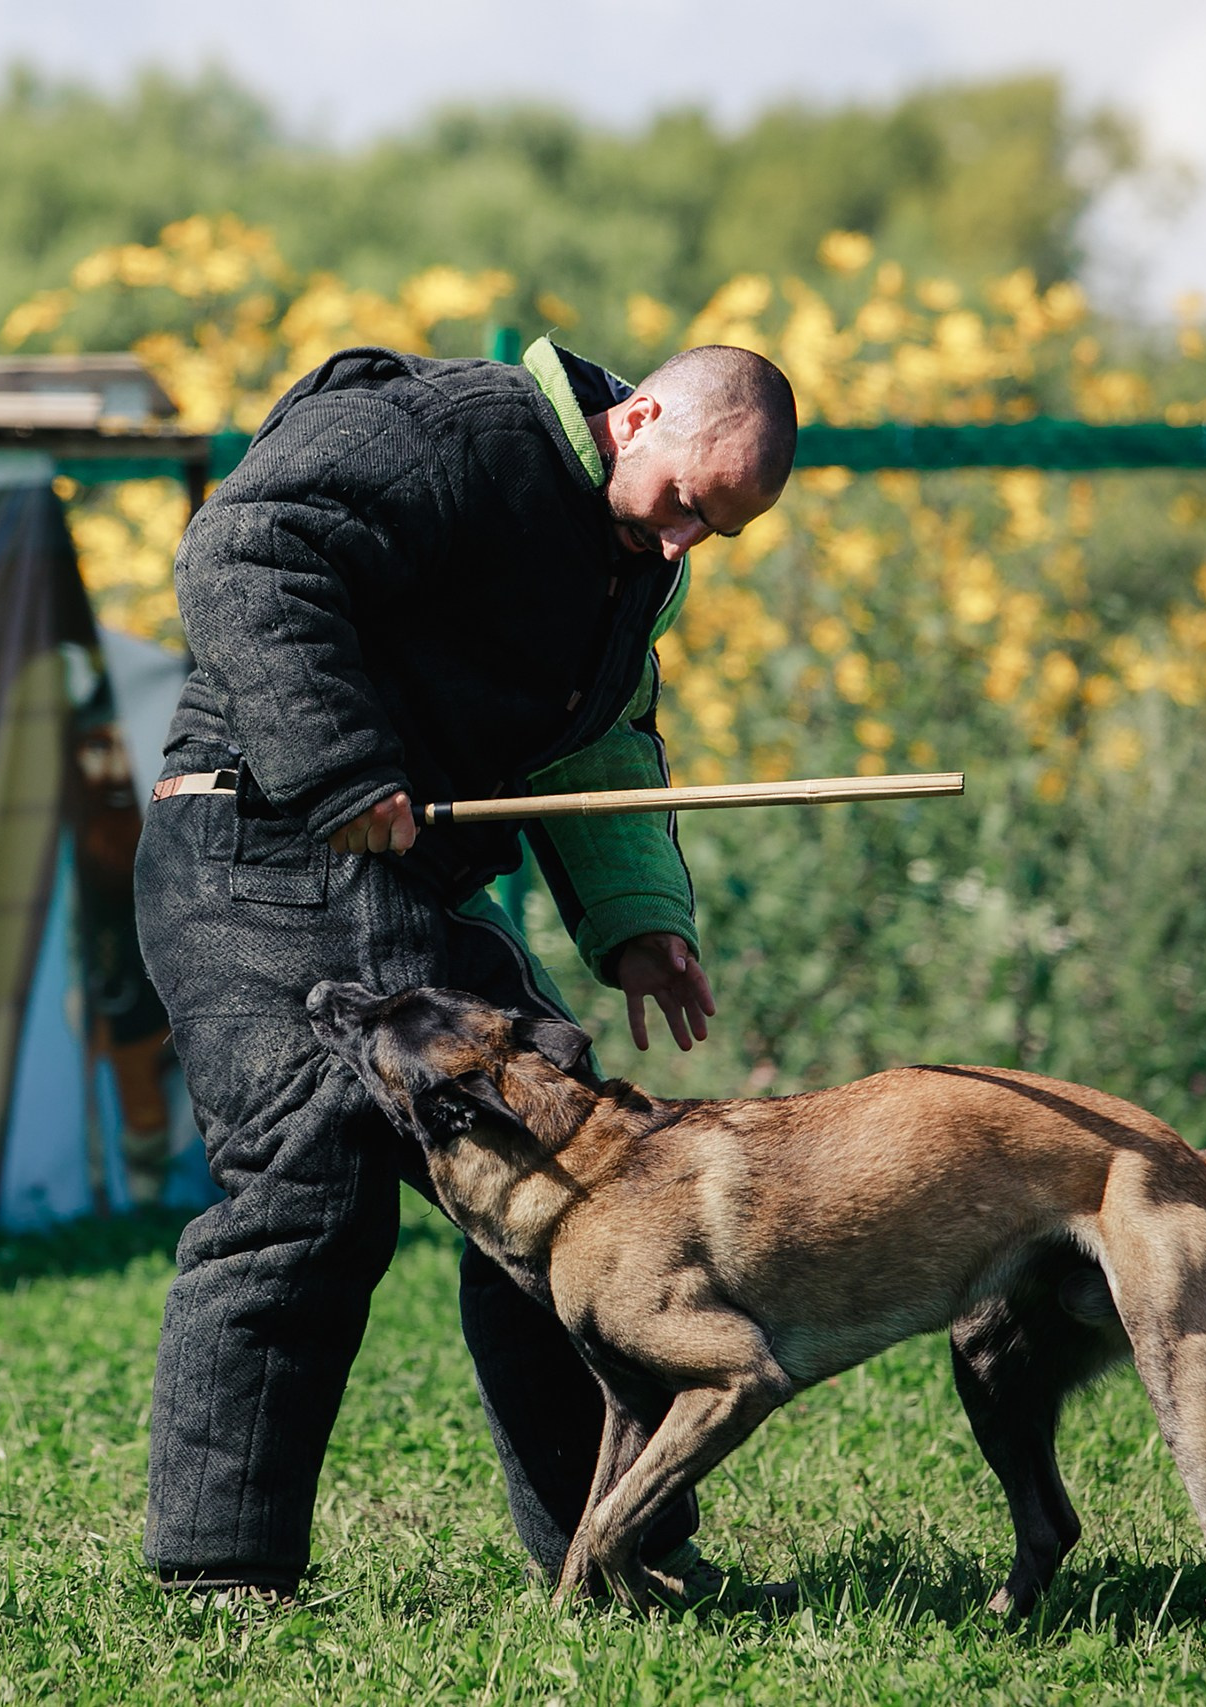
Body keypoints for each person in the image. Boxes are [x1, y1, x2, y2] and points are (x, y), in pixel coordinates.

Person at [133, 333, 797, 1604]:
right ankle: (223, 1575)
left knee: (579, 1174)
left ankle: (622, 1552)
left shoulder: (629, 559)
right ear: (639, 419)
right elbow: (245, 551)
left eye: (712, 532)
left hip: (403, 879)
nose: (681, 545)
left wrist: (638, 920)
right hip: (252, 843)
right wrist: (342, 765)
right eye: (683, 503)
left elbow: (598, 738)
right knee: (309, 1184)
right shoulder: (447, 435)